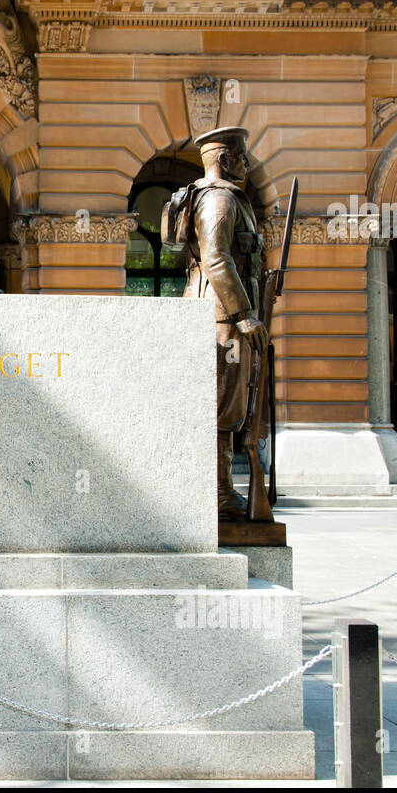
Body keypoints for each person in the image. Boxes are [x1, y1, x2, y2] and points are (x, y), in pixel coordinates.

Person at [181, 126, 270, 520]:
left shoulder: (229, 198)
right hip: (220, 317)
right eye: (242, 156)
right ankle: (216, 493)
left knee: (232, 406)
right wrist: (244, 314)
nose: (248, 164)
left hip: (225, 315)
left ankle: (221, 490)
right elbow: (216, 257)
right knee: (220, 405)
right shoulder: (218, 199)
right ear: (224, 159)